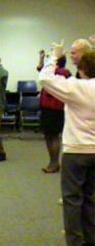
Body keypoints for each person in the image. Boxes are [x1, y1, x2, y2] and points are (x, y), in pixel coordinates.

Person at [39, 40, 95, 246]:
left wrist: (54, 55)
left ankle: (75, 242)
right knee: (90, 199)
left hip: (76, 152)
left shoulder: (76, 87)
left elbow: (44, 78)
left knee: (72, 201)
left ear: (81, 69)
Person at [37, 50, 71, 174]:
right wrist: (41, 58)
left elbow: (43, 72)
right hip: (46, 107)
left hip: (55, 108)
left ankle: (55, 162)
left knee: (54, 135)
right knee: (48, 135)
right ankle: (52, 161)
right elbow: (41, 69)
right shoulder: (52, 71)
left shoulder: (63, 72)